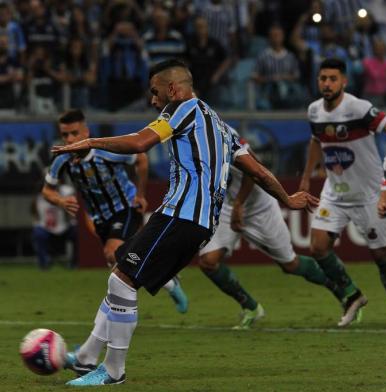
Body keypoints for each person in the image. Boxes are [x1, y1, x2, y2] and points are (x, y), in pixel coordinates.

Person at [52, 59, 318, 386]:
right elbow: (258, 170)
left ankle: (113, 371)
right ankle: (85, 358)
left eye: (155, 92)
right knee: (120, 277)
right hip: (199, 223)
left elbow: (139, 143)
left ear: (173, 89)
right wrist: (288, 199)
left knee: (121, 282)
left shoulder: (182, 110)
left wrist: (90, 142)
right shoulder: (221, 126)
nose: (152, 100)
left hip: (181, 214)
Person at [42, 109, 188, 310]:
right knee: (125, 261)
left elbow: (141, 159)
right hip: (100, 219)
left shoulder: (106, 151)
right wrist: (59, 200)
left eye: (74, 133)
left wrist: (140, 194)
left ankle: (118, 316)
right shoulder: (62, 159)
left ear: (86, 132)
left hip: (126, 207)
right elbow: (46, 190)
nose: (69, 139)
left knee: (112, 253)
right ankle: (168, 281)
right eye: (65, 134)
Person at [199, 128, 343, 330]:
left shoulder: (218, 131)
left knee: (290, 264)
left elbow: (254, 169)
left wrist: (239, 204)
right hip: (227, 206)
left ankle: (341, 290)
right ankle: (251, 307)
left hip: (258, 205)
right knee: (208, 262)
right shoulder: (184, 139)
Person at [299, 57, 386, 327]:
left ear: (344, 81)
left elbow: (384, 123)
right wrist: (306, 176)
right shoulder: (314, 110)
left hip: (369, 194)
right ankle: (352, 295)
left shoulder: (358, 108)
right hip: (335, 193)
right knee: (317, 246)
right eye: (323, 79)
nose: (326, 84)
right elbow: (316, 140)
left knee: (382, 255)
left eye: (332, 79)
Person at [32, 180, 77, 269]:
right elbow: (35, 213)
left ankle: (75, 263)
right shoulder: (39, 197)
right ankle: (44, 263)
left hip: (64, 226)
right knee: (38, 233)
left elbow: (73, 198)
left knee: (77, 232)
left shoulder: (66, 192)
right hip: (46, 228)